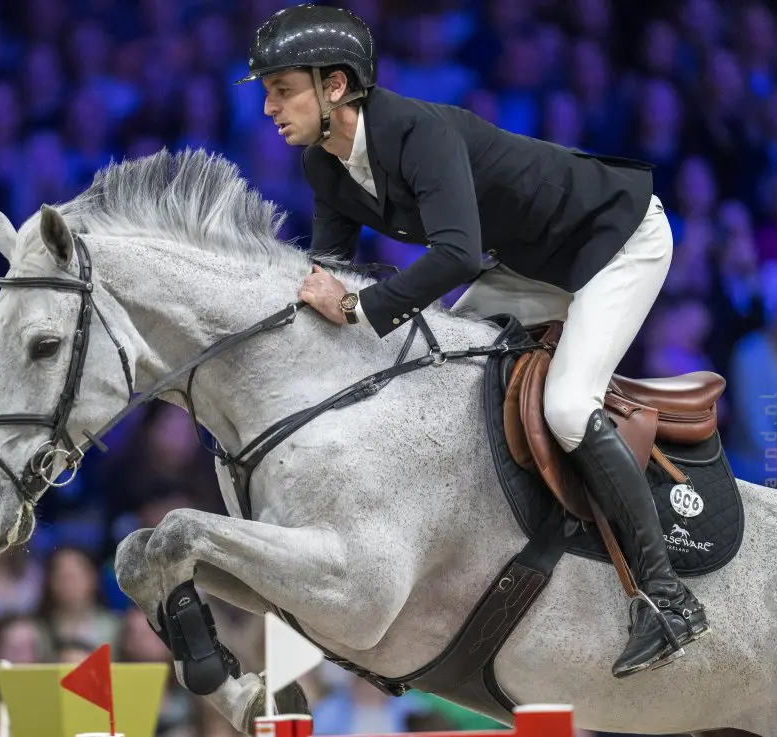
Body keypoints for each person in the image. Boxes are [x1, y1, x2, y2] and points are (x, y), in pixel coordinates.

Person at [235, 3, 710, 678]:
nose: (268, 109)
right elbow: (331, 276)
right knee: (440, 367)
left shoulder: (418, 133)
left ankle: (667, 597)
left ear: (334, 86)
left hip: (615, 240)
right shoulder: (325, 166)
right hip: (530, 262)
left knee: (569, 406)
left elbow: (453, 256)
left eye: (281, 90)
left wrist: (356, 307)